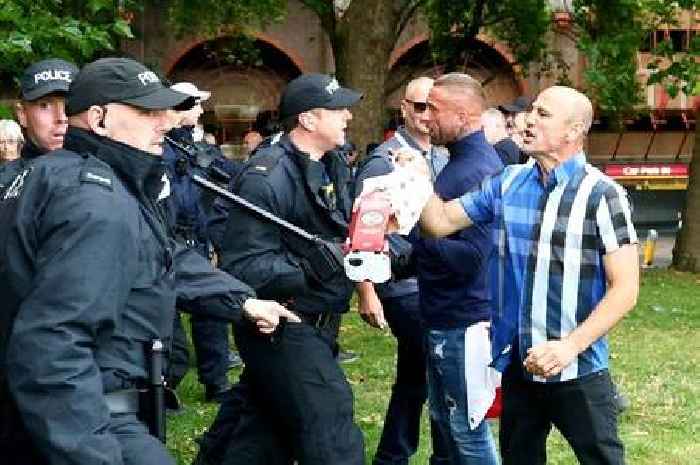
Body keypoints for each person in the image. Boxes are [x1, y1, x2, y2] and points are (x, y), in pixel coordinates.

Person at [0, 57, 298, 465]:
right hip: (88, 414)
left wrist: (238, 300)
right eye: (145, 111)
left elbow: (159, 252)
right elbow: (53, 345)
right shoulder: (94, 198)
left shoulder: (68, 178)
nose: (164, 122)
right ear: (100, 119)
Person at [415, 86, 639, 465]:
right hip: (519, 363)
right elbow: (439, 223)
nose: (528, 119)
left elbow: (626, 288)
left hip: (578, 366)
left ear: (573, 131)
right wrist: (417, 176)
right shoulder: (507, 182)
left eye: (543, 114)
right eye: (531, 110)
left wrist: (569, 345)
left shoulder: (602, 195)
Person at [194, 73, 364, 465]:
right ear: (307, 119)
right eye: (337, 110)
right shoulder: (267, 177)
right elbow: (243, 266)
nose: (348, 118)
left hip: (319, 322)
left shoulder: (332, 164)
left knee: (259, 433)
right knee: (330, 421)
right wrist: (309, 269)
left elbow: (346, 231)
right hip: (281, 323)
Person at [354, 76, 449, 465]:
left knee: (415, 376)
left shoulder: (444, 156)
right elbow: (362, 228)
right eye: (420, 106)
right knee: (440, 366)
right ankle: (445, 455)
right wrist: (366, 290)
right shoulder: (384, 159)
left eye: (435, 107)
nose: (428, 115)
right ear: (405, 109)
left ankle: (393, 455)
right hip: (400, 283)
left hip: (435, 280)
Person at [415, 73, 503, 465]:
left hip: (464, 323)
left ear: (465, 114)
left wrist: (417, 243)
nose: (424, 117)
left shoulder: (474, 170)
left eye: (433, 108)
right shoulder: (461, 163)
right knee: (447, 428)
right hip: (446, 317)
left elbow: (471, 259)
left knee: (467, 433)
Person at [162, 81, 235, 401]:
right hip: (173, 240)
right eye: (195, 105)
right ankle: (165, 383)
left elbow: (230, 176)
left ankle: (216, 381)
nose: (201, 110)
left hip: (198, 240)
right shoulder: (162, 148)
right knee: (166, 320)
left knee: (212, 312)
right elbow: (176, 199)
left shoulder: (195, 146)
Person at [0, 58, 78, 193]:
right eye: (44, 105)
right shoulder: (6, 184)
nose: (61, 118)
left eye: (68, 105)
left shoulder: (111, 174)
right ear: (22, 114)